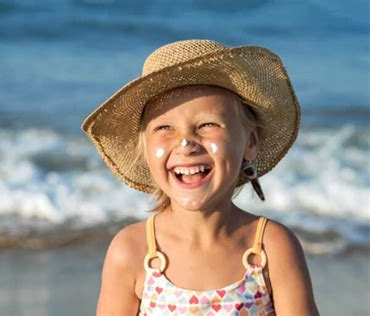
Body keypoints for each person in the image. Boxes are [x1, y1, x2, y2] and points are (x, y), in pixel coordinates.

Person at [82, 39, 319, 315]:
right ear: (145, 150)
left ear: (250, 142)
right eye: (165, 128)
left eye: (207, 125)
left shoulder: (271, 248)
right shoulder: (133, 251)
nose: (186, 144)